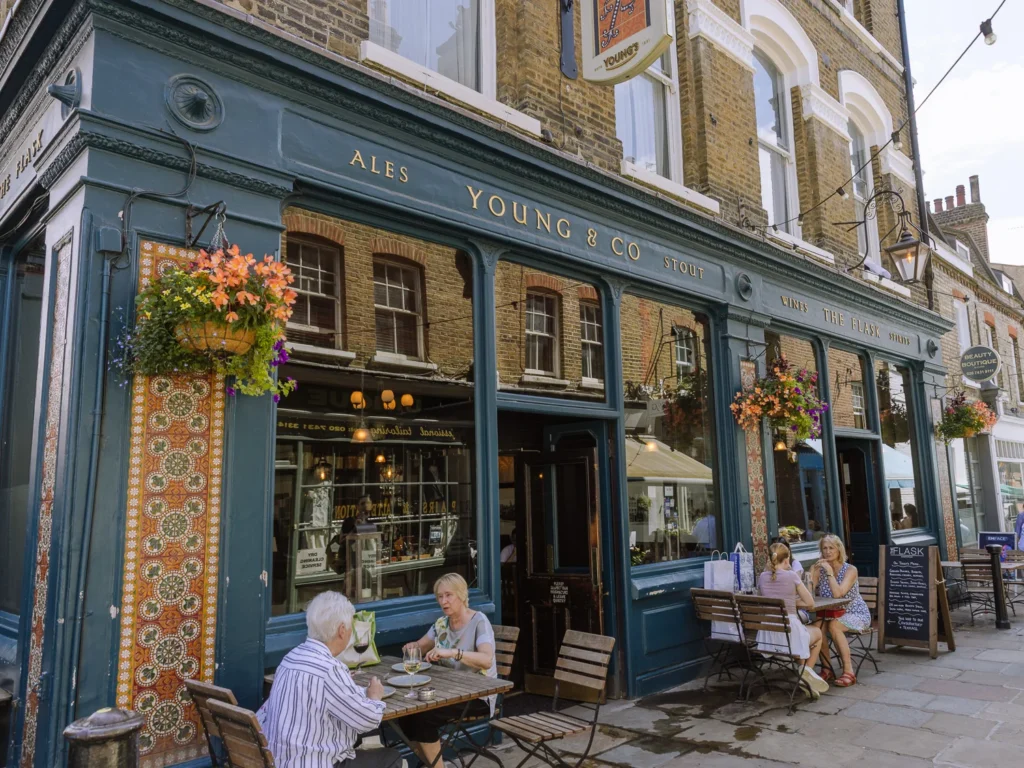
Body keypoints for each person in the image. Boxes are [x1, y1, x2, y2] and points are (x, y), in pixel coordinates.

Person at [257, 591, 400, 768]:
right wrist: (375, 697)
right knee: (391, 758)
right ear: (342, 630)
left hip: (278, 762)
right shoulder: (329, 668)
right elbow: (368, 720)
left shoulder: (290, 658)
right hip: (311, 763)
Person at [401, 574, 496, 767]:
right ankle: (432, 763)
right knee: (405, 715)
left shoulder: (479, 621)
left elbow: (486, 660)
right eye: (439, 596)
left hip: (478, 695)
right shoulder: (441, 624)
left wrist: (453, 652)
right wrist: (411, 649)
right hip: (448, 692)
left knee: (424, 716)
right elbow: (420, 647)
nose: (443, 601)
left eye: (448, 595)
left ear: (461, 595)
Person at [757, 543, 829, 697]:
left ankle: (805, 675)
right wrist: (790, 600)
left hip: (768, 636)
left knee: (802, 636)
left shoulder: (762, 577)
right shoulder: (792, 576)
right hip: (789, 635)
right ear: (787, 558)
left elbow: (764, 598)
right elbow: (810, 603)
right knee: (816, 633)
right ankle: (805, 675)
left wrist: (787, 600)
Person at [809, 534, 871, 688]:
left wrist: (829, 572)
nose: (828, 552)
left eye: (831, 548)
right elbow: (808, 592)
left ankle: (848, 671)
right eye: (824, 548)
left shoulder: (850, 569)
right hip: (830, 614)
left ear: (839, 550)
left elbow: (838, 594)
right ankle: (827, 668)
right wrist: (812, 572)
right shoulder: (821, 568)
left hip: (855, 613)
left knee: (834, 626)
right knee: (817, 627)